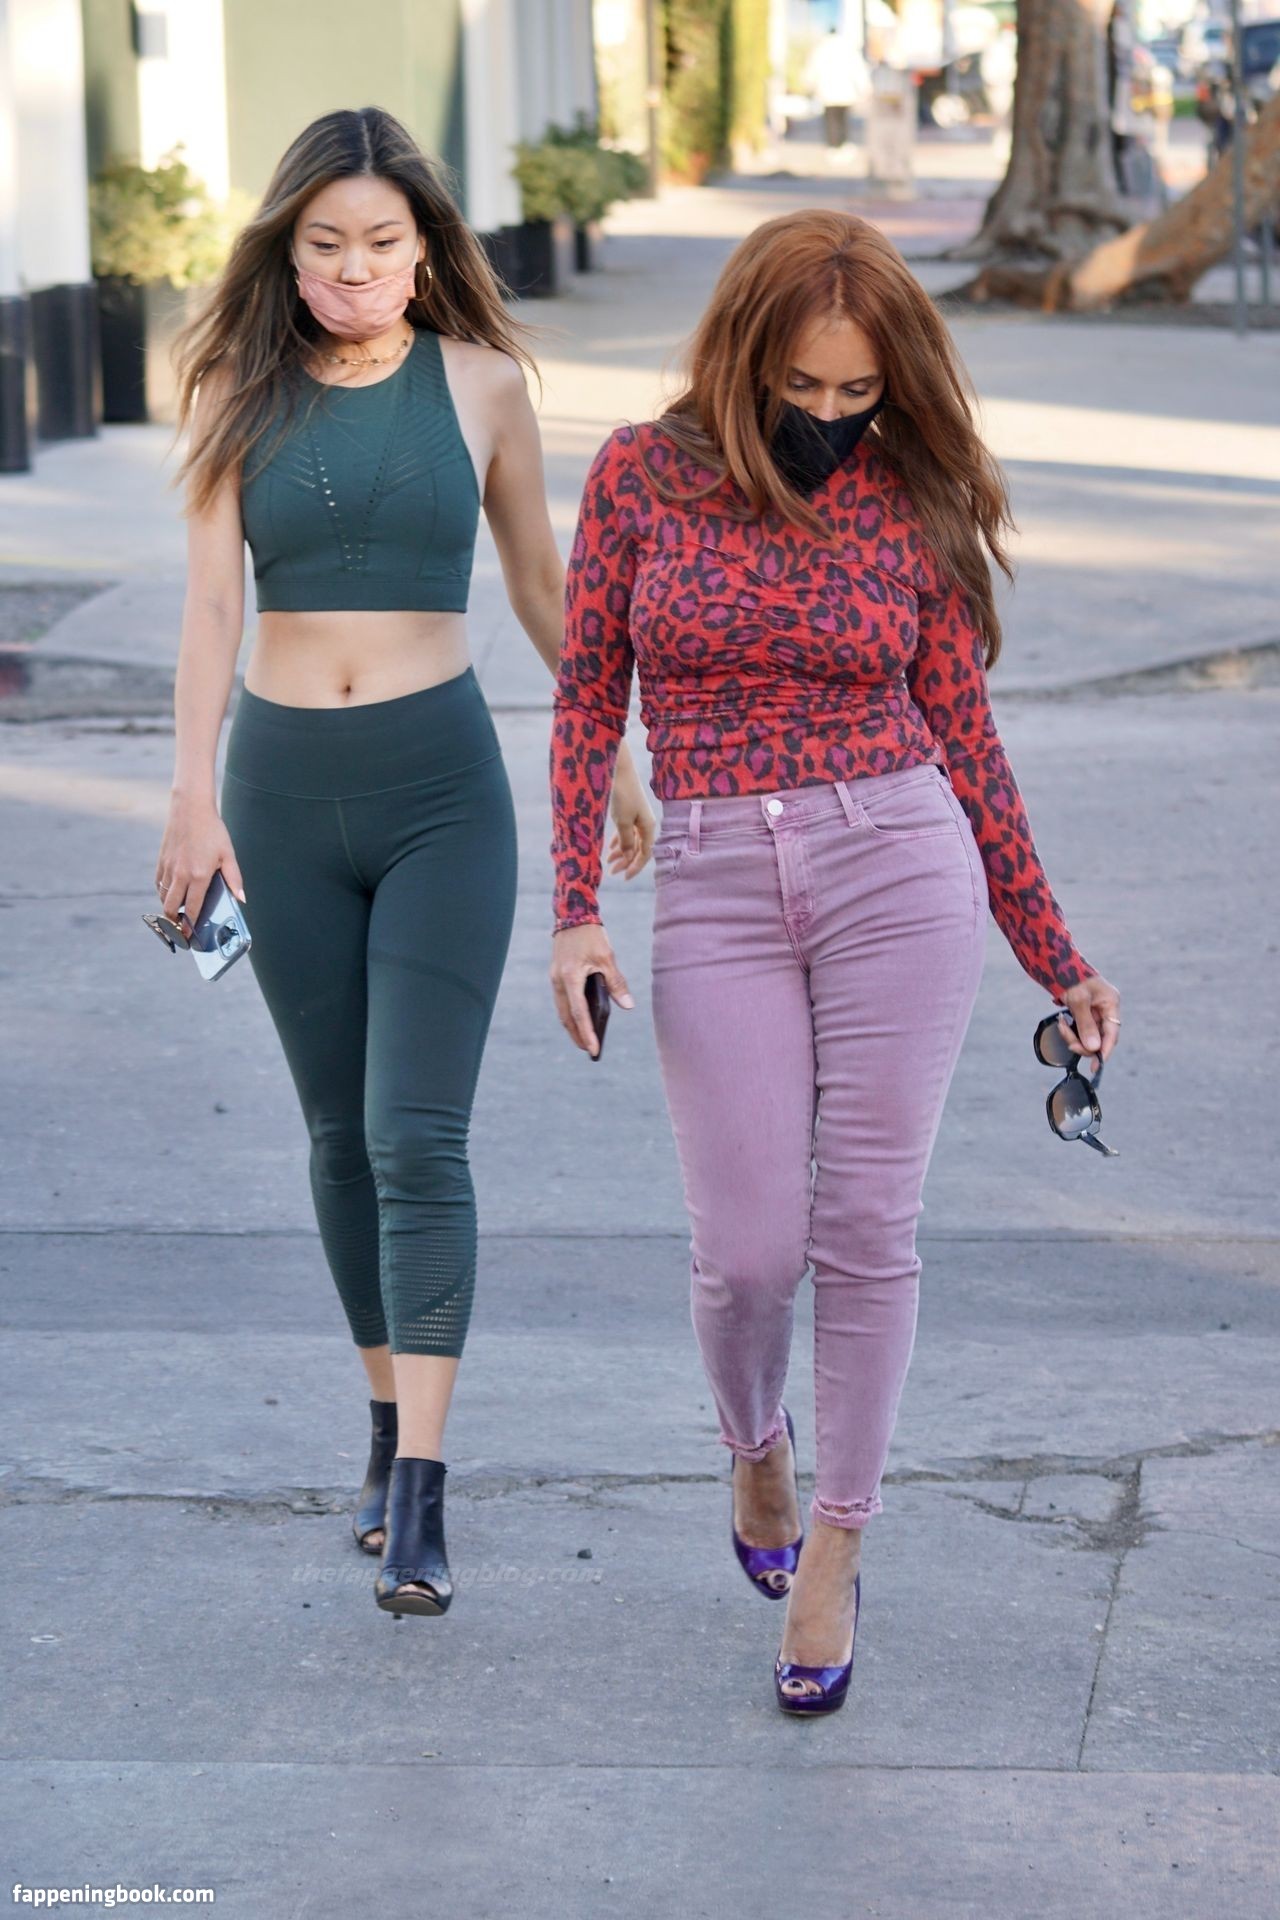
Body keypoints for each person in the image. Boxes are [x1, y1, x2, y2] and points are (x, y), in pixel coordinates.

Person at [548, 210, 1120, 1715]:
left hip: (897, 862)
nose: (828, 416)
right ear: (743, 358)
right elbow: (589, 693)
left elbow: (968, 739)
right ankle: (756, 1447)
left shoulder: (906, 493)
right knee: (746, 1251)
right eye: (800, 387)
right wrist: (575, 908)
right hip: (716, 876)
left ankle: (839, 1550)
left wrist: (1056, 954)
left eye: (857, 392)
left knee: (868, 1226)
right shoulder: (640, 475)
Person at [156, 106, 653, 1620]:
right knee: (335, 1139)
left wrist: (612, 753)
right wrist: (189, 801)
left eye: (381, 242)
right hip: (279, 795)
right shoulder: (232, 390)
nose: (354, 270)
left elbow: (542, 585)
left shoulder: (485, 384)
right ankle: (383, 1425)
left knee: (415, 1136)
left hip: (443, 793)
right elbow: (211, 610)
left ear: (427, 248)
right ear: (286, 249)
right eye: (325, 245)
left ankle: (426, 1487)